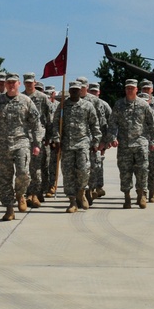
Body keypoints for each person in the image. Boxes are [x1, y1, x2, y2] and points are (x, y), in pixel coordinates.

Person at [0, 73, 44, 221]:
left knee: (23, 173)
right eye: (8, 82)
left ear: (19, 84)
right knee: (4, 178)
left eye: (13, 82)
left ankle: (20, 194)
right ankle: (9, 208)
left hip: (21, 142)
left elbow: (36, 123)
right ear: (5, 84)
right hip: (2, 144)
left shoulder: (26, 101)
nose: (11, 85)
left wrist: (37, 143)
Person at [50, 81, 101, 213]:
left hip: (83, 143)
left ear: (80, 91)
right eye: (72, 90)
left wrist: (96, 141)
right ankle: (72, 201)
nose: (74, 92)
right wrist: (56, 139)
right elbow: (56, 124)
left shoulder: (87, 105)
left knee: (84, 170)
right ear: (69, 90)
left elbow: (94, 125)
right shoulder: (62, 106)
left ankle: (81, 191)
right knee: (68, 174)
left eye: (77, 90)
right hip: (67, 144)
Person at [108, 79, 154, 209]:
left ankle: (141, 195)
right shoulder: (119, 104)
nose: (130, 90)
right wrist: (113, 138)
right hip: (124, 145)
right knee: (125, 172)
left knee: (142, 171)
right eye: (128, 88)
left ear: (136, 89)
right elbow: (112, 123)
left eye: (132, 88)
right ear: (125, 90)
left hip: (140, 144)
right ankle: (127, 197)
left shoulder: (143, 105)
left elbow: (152, 125)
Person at [22, 72, 53, 208]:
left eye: (31, 82)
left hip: (38, 137)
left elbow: (49, 119)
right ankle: (28, 193)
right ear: (24, 83)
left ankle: (35, 193)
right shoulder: (20, 97)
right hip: (23, 137)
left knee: (37, 167)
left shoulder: (42, 97)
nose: (29, 84)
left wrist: (49, 137)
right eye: (27, 82)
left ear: (35, 82)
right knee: (25, 167)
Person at [86, 81, 112, 202]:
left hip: (99, 139)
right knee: (91, 164)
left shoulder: (103, 104)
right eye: (91, 91)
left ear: (99, 92)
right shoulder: (85, 102)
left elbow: (108, 122)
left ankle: (98, 186)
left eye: (95, 91)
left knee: (98, 163)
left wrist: (106, 141)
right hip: (87, 139)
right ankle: (90, 188)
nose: (93, 93)